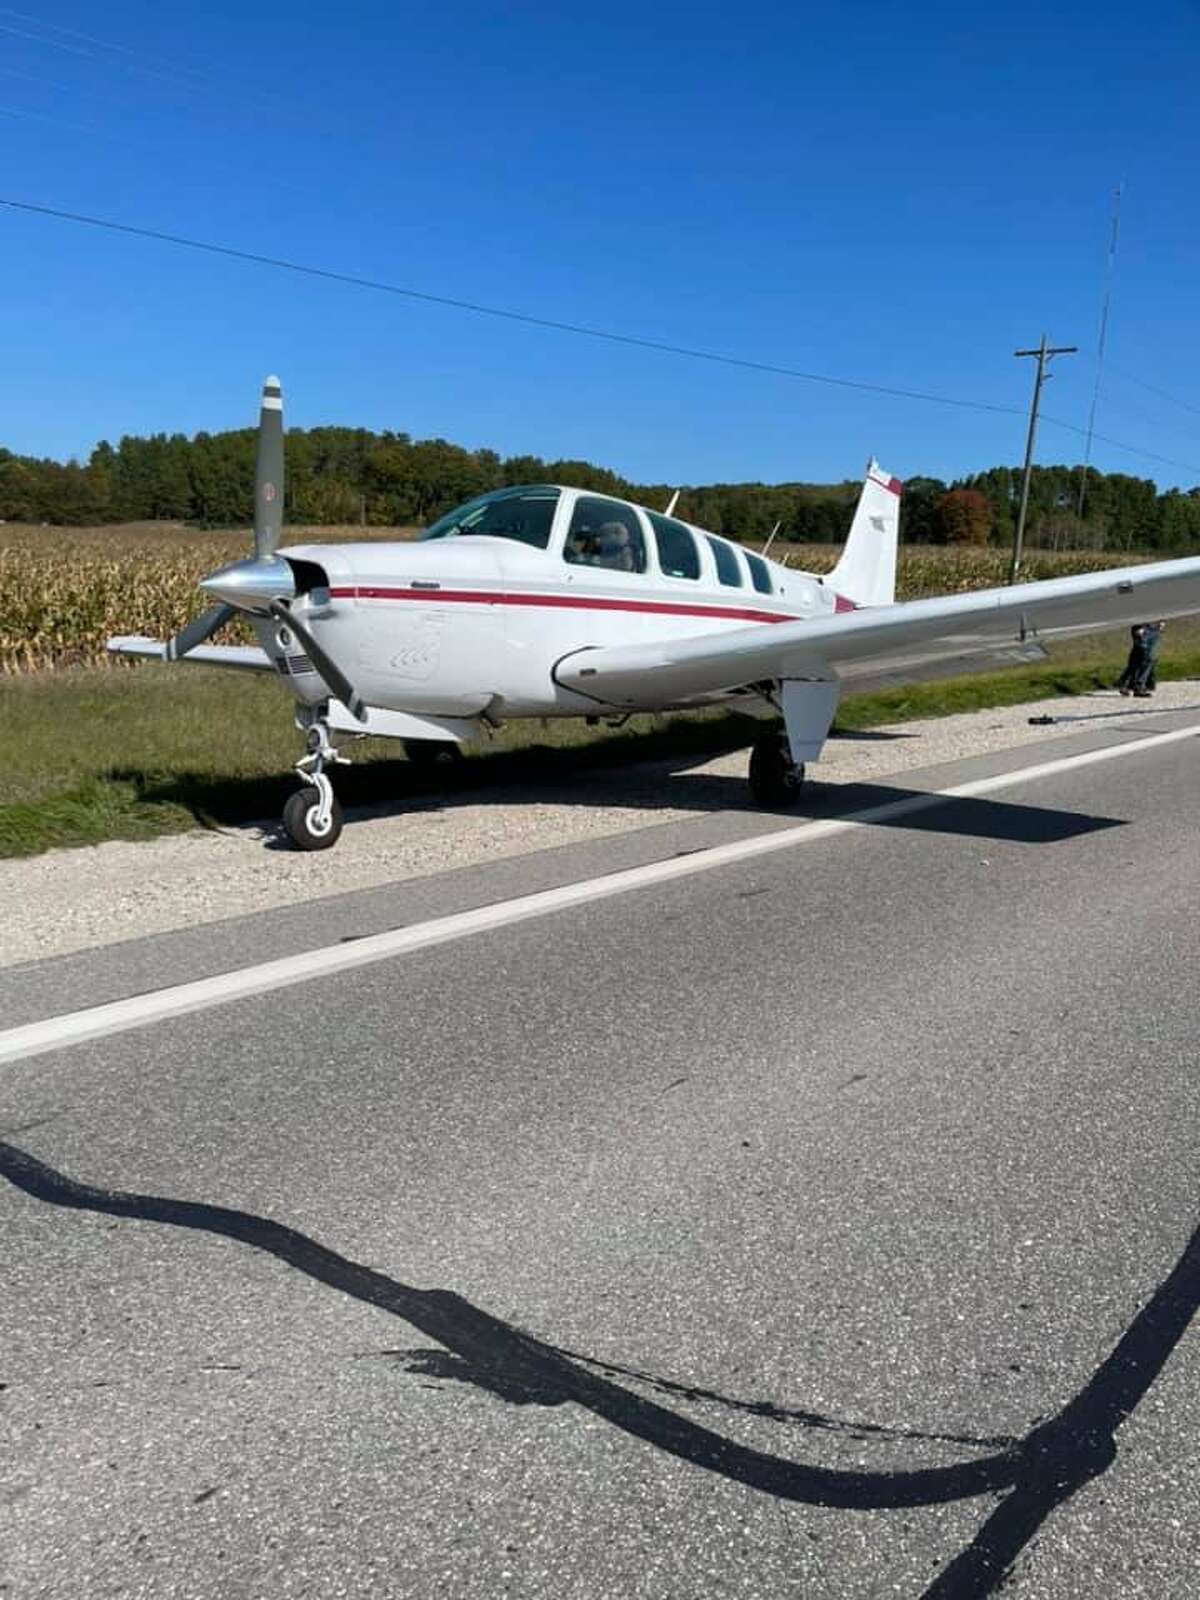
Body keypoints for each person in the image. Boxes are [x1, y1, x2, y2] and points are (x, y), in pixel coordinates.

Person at [1133, 620, 1164, 697]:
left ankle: (1147, 683)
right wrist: (1139, 627)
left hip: (1154, 629)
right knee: (1146, 658)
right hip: (1145, 630)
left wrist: (1162, 623)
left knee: (1151, 659)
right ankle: (1139, 685)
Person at [1117, 624, 1148, 696]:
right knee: (1139, 660)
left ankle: (1131, 685)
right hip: (1143, 627)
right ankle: (1132, 685)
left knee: (1143, 661)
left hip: (1147, 627)